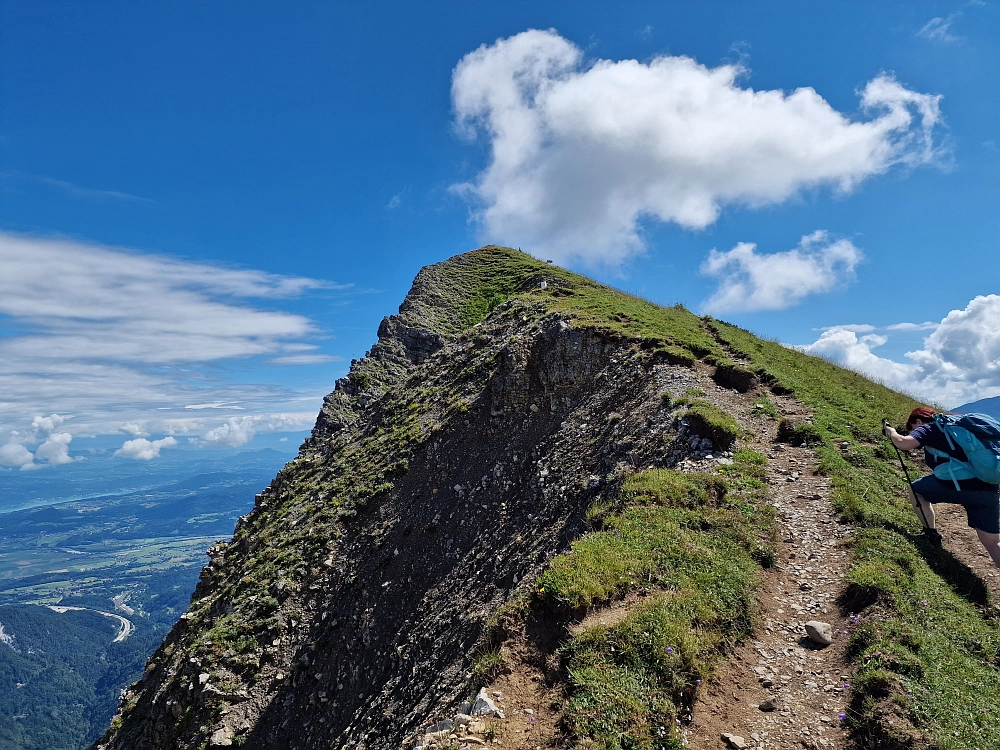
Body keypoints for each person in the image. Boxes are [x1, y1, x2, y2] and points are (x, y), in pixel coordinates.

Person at [883, 406, 1000, 565]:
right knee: (993, 543)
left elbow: (904, 443)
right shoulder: (957, 425)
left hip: (960, 485)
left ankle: (930, 533)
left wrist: (892, 432)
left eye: (913, 428)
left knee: (916, 489)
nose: (914, 431)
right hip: (989, 487)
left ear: (918, 421)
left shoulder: (930, 428)